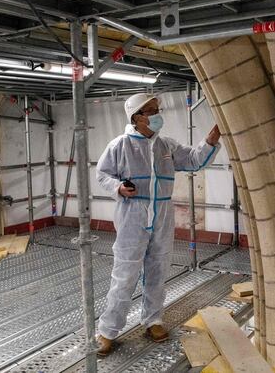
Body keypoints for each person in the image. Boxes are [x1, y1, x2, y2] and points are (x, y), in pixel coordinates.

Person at [95, 93, 221, 356]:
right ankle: (108, 330)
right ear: (136, 117)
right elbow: (103, 174)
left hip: (162, 214)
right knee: (125, 274)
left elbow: (196, 159)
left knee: (158, 270)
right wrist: (118, 187)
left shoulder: (167, 145)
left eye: (157, 110)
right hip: (132, 214)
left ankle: (153, 320)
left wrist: (214, 135)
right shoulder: (119, 145)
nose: (157, 115)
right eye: (151, 111)